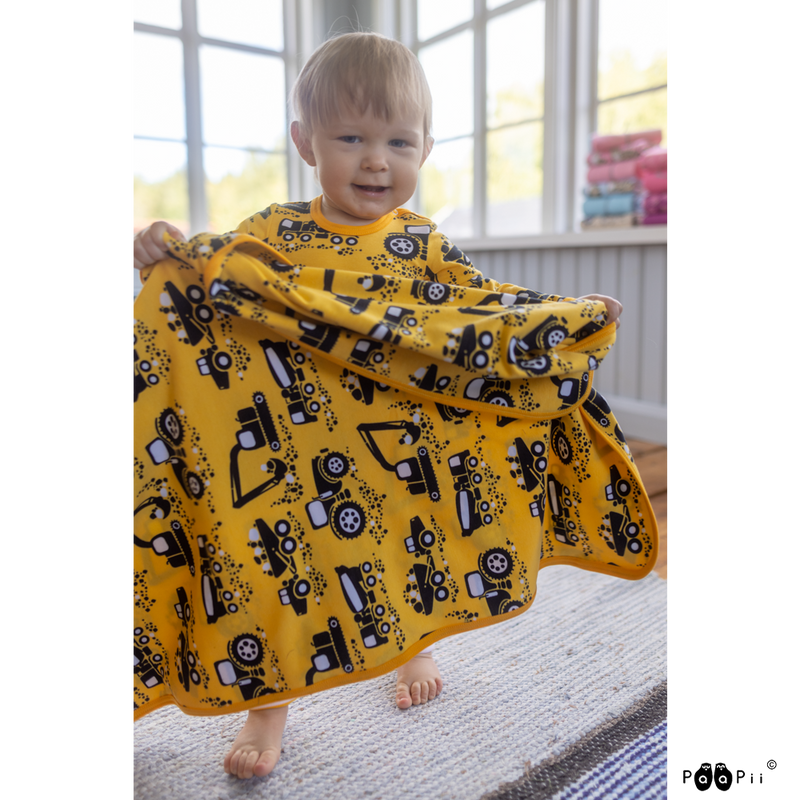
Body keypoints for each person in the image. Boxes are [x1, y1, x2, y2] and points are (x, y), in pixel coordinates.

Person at [131, 32, 623, 780]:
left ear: (425, 149)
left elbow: (483, 312)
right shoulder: (274, 233)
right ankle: (271, 708)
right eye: (351, 137)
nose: (375, 160)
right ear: (305, 142)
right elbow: (213, 269)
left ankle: (411, 640)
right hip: (300, 442)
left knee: (412, 536)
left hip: (404, 438)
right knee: (289, 564)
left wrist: (565, 315)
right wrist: (165, 248)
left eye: (398, 140)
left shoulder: (423, 243)